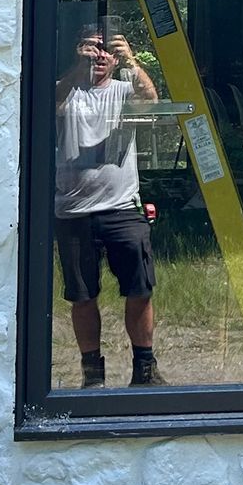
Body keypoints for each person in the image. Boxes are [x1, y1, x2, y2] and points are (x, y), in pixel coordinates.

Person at [55, 25, 164, 388]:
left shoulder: (122, 89)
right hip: (73, 209)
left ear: (115, 58)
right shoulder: (68, 89)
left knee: (140, 287)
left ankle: (144, 369)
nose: (98, 57)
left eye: (105, 51)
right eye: (91, 49)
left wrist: (131, 60)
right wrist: (76, 70)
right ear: (78, 51)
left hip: (121, 206)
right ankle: (92, 374)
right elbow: (49, 104)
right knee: (82, 294)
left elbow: (150, 100)